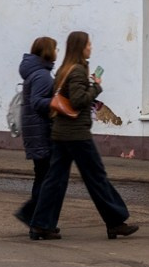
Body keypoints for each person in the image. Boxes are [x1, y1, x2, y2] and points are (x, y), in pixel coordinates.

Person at [30, 30, 138, 242]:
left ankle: (41, 225)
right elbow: (79, 101)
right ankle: (115, 222)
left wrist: (88, 85)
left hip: (61, 133)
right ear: (81, 47)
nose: (91, 47)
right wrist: (96, 87)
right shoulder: (77, 70)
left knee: (55, 180)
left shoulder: (64, 69)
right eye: (89, 44)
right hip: (77, 135)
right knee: (97, 178)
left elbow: (70, 95)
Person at [14, 36, 58, 229]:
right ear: (48, 51)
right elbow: (38, 102)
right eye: (55, 48)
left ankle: (34, 216)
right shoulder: (41, 74)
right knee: (47, 178)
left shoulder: (36, 72)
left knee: (42, 176)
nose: (57, 52)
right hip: (41, 133)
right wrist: (58, 103)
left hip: (36, 132)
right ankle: (32, 215)